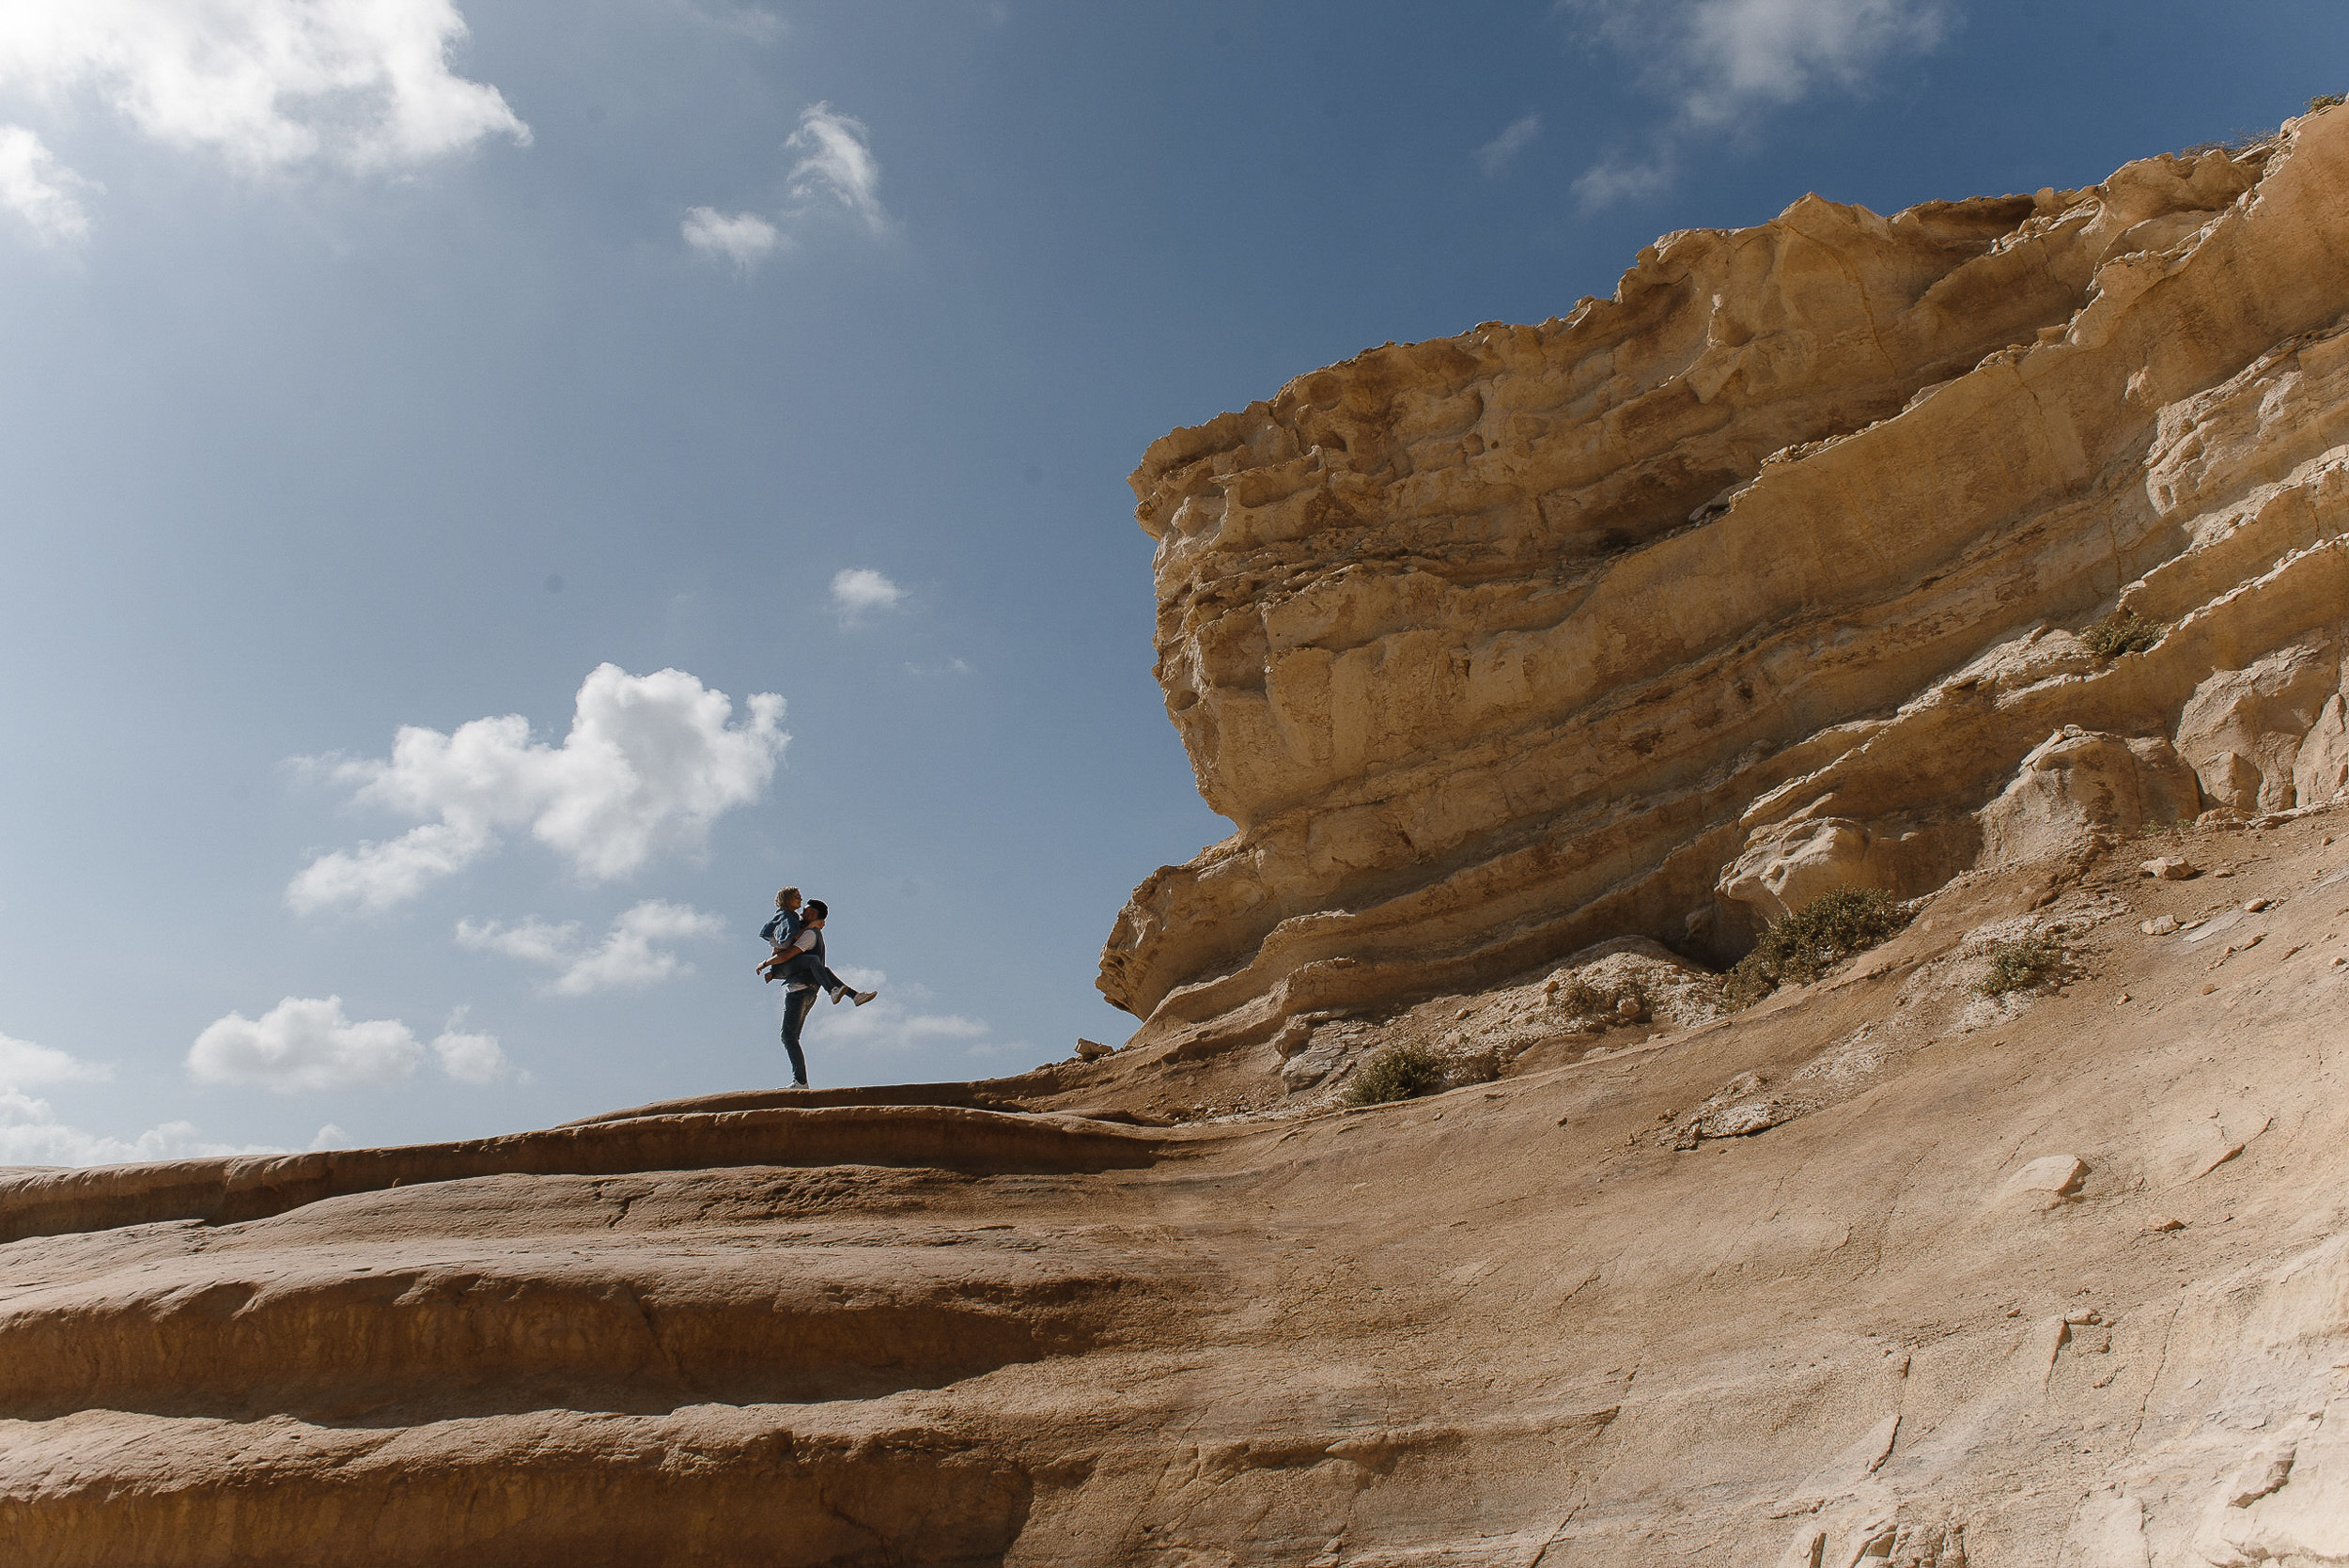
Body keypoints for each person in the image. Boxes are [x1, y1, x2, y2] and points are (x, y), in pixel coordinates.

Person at [767, 900, 878, 1089]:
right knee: (792, 1036)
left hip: (799, 991)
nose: (802, 910)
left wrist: (767, 964)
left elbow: (787, 955)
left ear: (813, 913)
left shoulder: (810, 934)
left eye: (807, 909)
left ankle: (800, 1081)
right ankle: (854, 995)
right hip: (809, 990)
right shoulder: (808, 930)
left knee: (788, 1036)